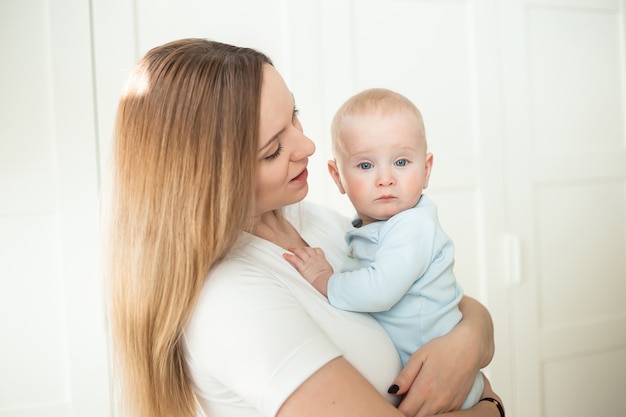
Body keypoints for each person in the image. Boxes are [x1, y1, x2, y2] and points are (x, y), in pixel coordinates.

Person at [106, 38, 504, 417]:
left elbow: (442, 296)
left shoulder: (314, 220)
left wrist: (470, 340)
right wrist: (489, 405)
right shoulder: (230, 300)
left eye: (294, 115)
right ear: (209, 179)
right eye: (274, 149)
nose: (308, 145)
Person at [283, 88, 484, 410]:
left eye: (401, 162)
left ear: (426, 169)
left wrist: (325, 280)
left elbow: (379, 291)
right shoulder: (366, 227)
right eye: (365, 166)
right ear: (337, 177)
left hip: (442, 389)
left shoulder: (413, 226)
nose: (386, 178)